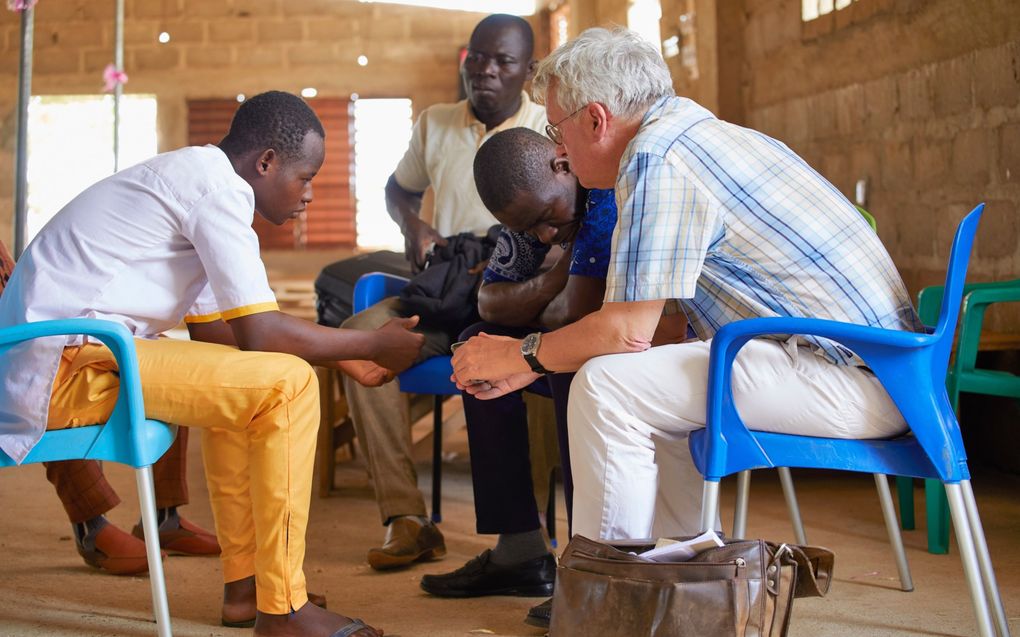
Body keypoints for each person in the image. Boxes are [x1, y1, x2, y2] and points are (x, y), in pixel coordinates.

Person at [450, 27, 923, 547]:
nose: (559, 151)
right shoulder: (692, 134)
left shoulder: (658, 157)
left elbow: (624, 333)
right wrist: (535, 363)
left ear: (595, 119)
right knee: (638, 382)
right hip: (884, 369)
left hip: (855, 378)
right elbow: (662, 330)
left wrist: (524, 354)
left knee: (605, 387)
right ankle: (682, 579)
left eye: (557, 131)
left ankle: (610, 601)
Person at [0, 91, 423, 637]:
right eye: (305, 177)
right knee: (288, 386)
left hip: (83, 354)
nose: (310, 194)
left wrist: (343, 363)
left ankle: (248, 586)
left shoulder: (200, 180)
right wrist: (368, 346)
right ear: (265, 162)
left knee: (241, 374)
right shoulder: (217, 188)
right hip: (61, 365)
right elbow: (261, 331)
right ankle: (285, 610)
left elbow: (221, 332)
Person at [340, 13, 548, 571]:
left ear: (527, 71)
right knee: (359, 339)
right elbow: (397, 189)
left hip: (516, 292)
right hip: (447, 285)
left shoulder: (550, 127)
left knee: (541, 348)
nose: (483, 70)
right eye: (475, 57)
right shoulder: (435, 123)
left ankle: (535, 532)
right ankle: (406, 519)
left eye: (501, 60)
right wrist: (413, 226)